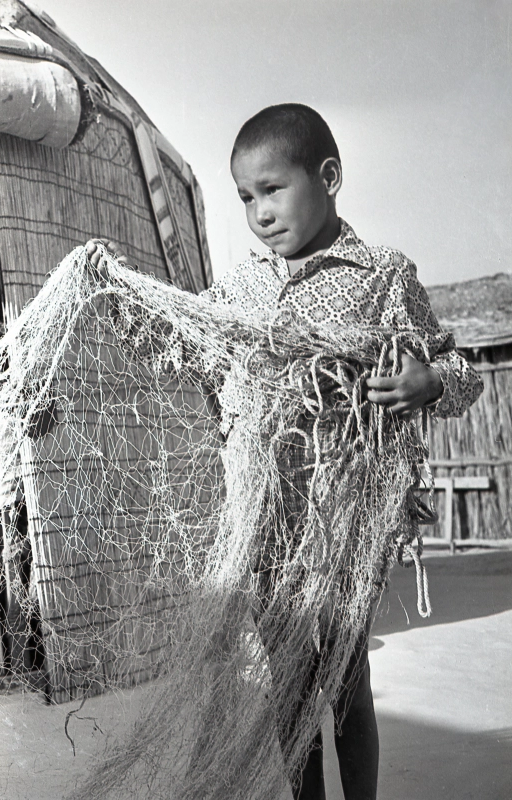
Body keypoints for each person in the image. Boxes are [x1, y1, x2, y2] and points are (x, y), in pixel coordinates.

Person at [86, 103, 483, 800]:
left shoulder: (380, 277)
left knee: (345, 685)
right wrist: (125, 304)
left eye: (272, 189)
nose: (259, 213)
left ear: (327, 177)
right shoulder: (238, 290)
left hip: (345, 529)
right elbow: (190, 351)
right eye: (244, 197)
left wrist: (425, 383)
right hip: (266, 525)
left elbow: (462, 375)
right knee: (287, 686)